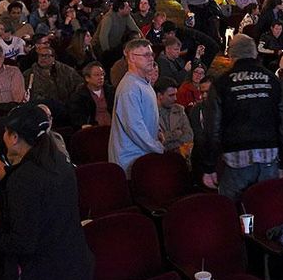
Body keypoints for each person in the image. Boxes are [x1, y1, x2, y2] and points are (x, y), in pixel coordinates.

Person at [0, 103, 94, 280]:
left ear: (15, 138)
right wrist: (8, 176)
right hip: (74, 267)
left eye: (6, 132)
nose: (3, 137)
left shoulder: (25, 179)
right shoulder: (59, 159)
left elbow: (23, 242)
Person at [200, 34, 283, 201]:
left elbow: (212, 128)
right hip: (269, 157)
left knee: (232, 212)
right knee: (267, 208)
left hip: (236, 159)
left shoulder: (222, 83)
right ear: (255, 53)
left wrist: (209, 166)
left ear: (231, 55)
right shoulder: (272, 80)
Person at [108, 39, 163, 177]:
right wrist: (156, 147)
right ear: (131, 57)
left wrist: (157, 130)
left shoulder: (143, 83)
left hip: (143, 153)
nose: (151, 58)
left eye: (151, 54)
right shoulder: (130, 88)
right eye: (146, 55)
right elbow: (134, 127)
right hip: (131, 158)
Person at [69, 62, 114, 127]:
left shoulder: (111, 91)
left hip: (113, 127)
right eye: (96, 75)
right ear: (87, 78)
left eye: (102, 74)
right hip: (92, 129)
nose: (101, 77)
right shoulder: (78, 96)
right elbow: (76, 116)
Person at [155, 77, 193, 154]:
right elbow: (156, 141)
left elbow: (189, 136)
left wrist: (167, 141)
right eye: (171, 95)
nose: (175, 98)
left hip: (178, 156)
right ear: (160, 96)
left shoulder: (179, 110)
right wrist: (176, 134)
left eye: (176, 94)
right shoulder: (151, 113)